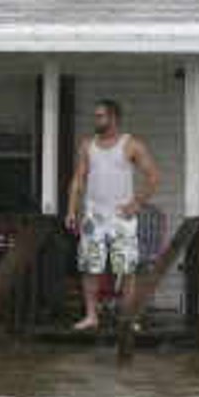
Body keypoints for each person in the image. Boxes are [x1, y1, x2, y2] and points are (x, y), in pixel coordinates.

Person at [63, 99, 161, 331]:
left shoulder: (131, 145)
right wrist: (71, 209)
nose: (96, 121)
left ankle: (126, 319)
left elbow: (154, 177)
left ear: (114, 118)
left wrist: (136, 203)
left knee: (126, 268)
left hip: (121, 217)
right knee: (90, 267)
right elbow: (78, 180)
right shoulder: (88, 145)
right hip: (93, 215)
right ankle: (91, 316)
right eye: (95, 116)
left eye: (100, 116)